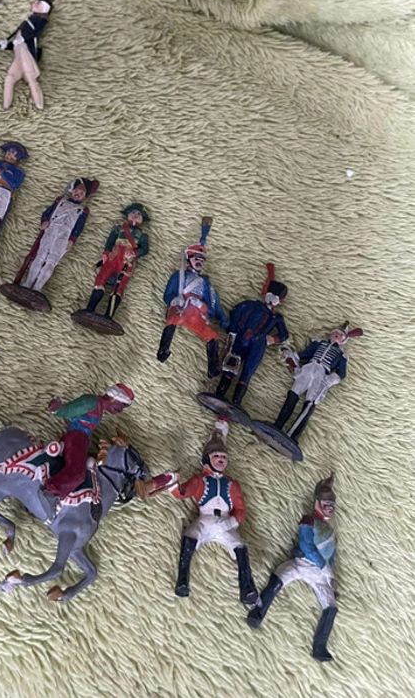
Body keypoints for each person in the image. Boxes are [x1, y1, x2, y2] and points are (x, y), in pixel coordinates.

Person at [137, 419, 258, 606]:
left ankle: (247, 587)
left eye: (223, 456)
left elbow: (241, 510)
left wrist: (231, 522)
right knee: (190, 536)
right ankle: (182, 580)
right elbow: (182, 493)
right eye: (216, 455)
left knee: (240, 547)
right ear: (207, 458)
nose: (221, 459)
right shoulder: (200, 481)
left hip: (226, 524)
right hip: (205, 521)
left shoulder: (232, 484)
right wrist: (172, 485)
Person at [248, 474, 339, 662]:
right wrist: (324, 566)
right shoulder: (308, 521)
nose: (330, 507)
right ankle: (257, 613)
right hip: (301, 563)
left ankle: (320, 646)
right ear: (317, 502)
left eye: (332, 504)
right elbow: (307, 546)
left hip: (318, 574)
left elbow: (330, 555)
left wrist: (331, 578)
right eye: (326, 503)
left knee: (331, 606)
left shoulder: (330, 531)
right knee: (277, 581)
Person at [157, 217, 228, 376]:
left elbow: (214, 302)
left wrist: (222, 317)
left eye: (202, 259)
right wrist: (174, 300)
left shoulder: (205, 283)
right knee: (173, 318)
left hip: (197, 311)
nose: (200, 262)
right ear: (189, 259)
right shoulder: (179, 276)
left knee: (211, 334)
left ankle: (213, 366)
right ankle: (163, 349)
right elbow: (168, 293)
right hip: (181, 305)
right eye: (197, 258)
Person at [214, 263, 289, 406]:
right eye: (271, 294)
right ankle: (219, 393)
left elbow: (284, 335)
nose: (272, 299)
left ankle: (236, 402)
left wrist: (273, 339)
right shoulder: (250, 305)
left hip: (258, 345)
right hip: (240, 339)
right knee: (231, 365)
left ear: (280, 301)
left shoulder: (276, 317)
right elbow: (236, 312)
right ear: (265, 293)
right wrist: (233, 330)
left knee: (247, 371)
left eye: (276, 297)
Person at [44, 383, 135, 499]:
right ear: (114, 398)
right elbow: (70, 410)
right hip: (76, 437)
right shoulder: (91, 402)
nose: (120, 410)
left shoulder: (98, 407)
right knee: (78, 473)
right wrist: (59, 409)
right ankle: (51, 492)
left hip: (82, 440)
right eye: (121, 405)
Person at [21, 177, 98, 292]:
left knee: (51, 262)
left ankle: (37, 287)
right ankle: (28, 283)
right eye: (76, 191)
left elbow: (79, 226)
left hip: (64, 236)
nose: (78, 194)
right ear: (72, 190)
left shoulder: (82, 210)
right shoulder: (60, 201)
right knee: (40, 256)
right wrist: (44, 220)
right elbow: (48, 212)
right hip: (51, 230)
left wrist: (72, 239)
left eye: (82, 193)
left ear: (85, 196)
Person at [0, 0, 53, 110]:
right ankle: (6, 105)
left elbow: (36, 32)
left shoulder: (40, 20)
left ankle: (39, 105)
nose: (33, 4)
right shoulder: (30, 19)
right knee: (9, 78)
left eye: (37, 3)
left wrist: (23, 38)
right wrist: (6, 45)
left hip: (26, 51)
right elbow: (16, 43)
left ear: (44, 7)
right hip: (19, 52)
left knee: (31, 77)